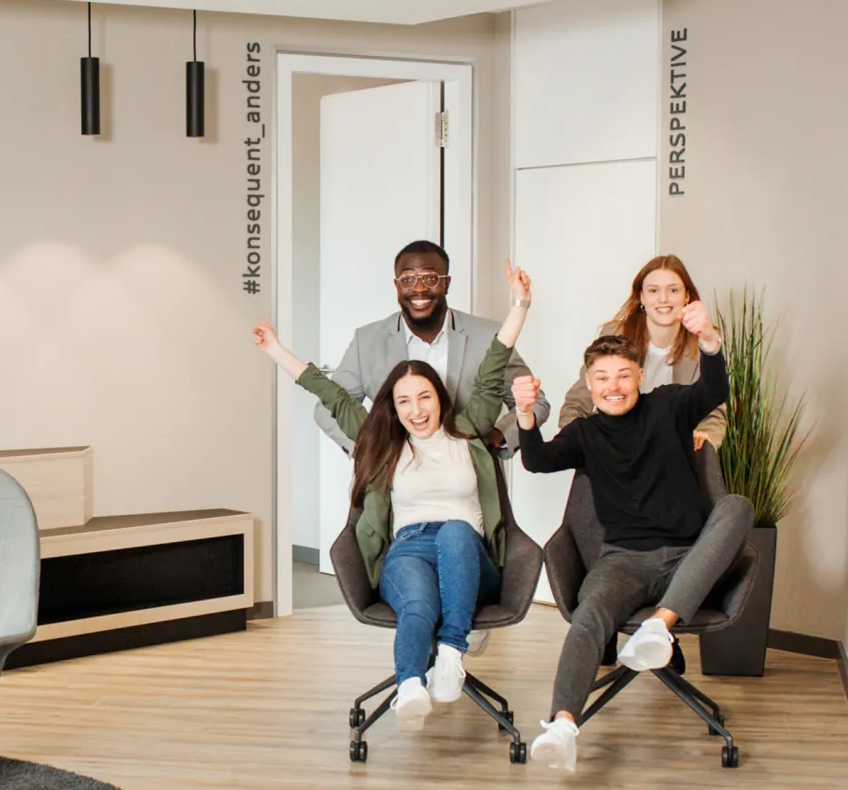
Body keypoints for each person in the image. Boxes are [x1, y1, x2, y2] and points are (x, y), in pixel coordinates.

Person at [255, 259, 533, 733]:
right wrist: (277, 350)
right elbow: (333, 396)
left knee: (455, 532)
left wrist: (520, 304)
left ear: (440, 398)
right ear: (393, 407)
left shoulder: (469, 431)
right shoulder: (382, 443)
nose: (416, 410)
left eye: (424, 397)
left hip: (469, 552)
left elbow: (493, 365)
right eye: (404, 401)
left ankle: (452, 652)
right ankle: (410, 686)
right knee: (416, 602)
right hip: (408, 548)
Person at [511, 300, 754, 772]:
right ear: (588, 384)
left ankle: (658, 626)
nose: (613, 386)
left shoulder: (669, 406)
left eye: (623, 375)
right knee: (589, 615)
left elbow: (714, 389)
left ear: (640, 376)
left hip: (689, 555)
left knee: (737, 506)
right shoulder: (584, 434)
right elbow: (537, 460)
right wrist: (524, 415)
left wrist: (708, 339)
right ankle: (563, 725)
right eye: (602, 378)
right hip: (623, 561)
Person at [314, 240, 550, 459]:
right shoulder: (367, 341)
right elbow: (327, 410)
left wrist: (499, 437)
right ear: (396, 286)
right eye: (407, 279)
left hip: (473, 481)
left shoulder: (488, 335)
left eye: (430, 278)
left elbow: (536, 403)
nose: (419, 288)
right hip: (393, 482)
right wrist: (372, 452)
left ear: (447, 283)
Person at [558, 255, 725, 452]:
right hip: (618, 448)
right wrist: (586, 444)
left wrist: (705, 437)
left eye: (673, 290)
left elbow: (715, 408)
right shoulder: (615, 334)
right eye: (653, 291)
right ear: (642, 297)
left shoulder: (704, 339)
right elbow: (576, 403)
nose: (663, 299)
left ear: (686, 297)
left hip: (674, 450)